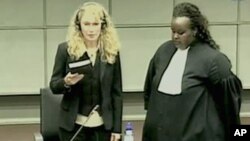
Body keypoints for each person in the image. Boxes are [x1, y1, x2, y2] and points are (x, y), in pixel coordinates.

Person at [142, 2, 242, 141]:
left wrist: (239, 135)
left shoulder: (214, 60)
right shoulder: (163, 51)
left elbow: (230, 108)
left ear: (195, 31)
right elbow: (149, 92)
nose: (175, 36)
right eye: (173, 31)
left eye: (181, 32)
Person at [50, 2, 122, 141]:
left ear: (103, 26)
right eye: (86, 24)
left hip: (103, 127)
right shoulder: (65, 50)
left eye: (95, 24)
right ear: (79, 26)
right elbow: (54, 85)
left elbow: (116, 93)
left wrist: (117, 129)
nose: (91, 29)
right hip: (73, 126)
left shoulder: (111, 52)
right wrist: (66, 82)